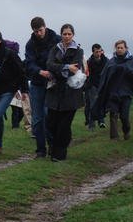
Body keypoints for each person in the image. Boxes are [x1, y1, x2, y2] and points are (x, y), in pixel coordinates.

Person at [45, 24, 85, 161]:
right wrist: (66, 66)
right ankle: (54, 146)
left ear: (73, 35)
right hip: (54, 91)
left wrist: (58, 70)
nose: (67, 36)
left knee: (64, 125)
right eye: (64, 34)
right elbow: (49, 65)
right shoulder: (54, 49)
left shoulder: (78, 51)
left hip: (70, 94)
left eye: (69, 34)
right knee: (51, 123)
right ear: (61, 35)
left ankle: (59, 155)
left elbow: (76, 67)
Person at [93, 40, 133, 141]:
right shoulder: (111, 62)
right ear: (115, 49)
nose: (120, 49)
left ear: (126, 48)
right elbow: (104, 76)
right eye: (118, 48)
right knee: (113, 115)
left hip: (126, 94)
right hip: (113, 93)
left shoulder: (131, 62)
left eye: (122, 48)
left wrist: (130, 75)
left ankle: (126, 131)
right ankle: (114, 137)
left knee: (124, 116)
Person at [25, 17, 61, 158]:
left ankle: (52, 144)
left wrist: (54, 71)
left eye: (40, 30)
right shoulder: (30, 44)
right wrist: (40, 71)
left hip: (53, 83)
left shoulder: (56, 39)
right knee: (37, 118)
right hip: (37, 83)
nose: (39, 33)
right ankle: (40, 149)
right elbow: (29, 63)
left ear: (45, 27)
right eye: (36, 31)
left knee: (49, 115)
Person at [84, 43, 108, 130]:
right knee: (92, 104)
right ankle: (91, 125)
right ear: (93, 52)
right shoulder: (89, 62)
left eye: (100, 51)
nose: (98, 53)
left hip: (102, 85)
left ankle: (101, 121)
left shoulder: (106, 61)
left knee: (100, 103)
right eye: (96, 52)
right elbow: (86, 74)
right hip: (92, 85)